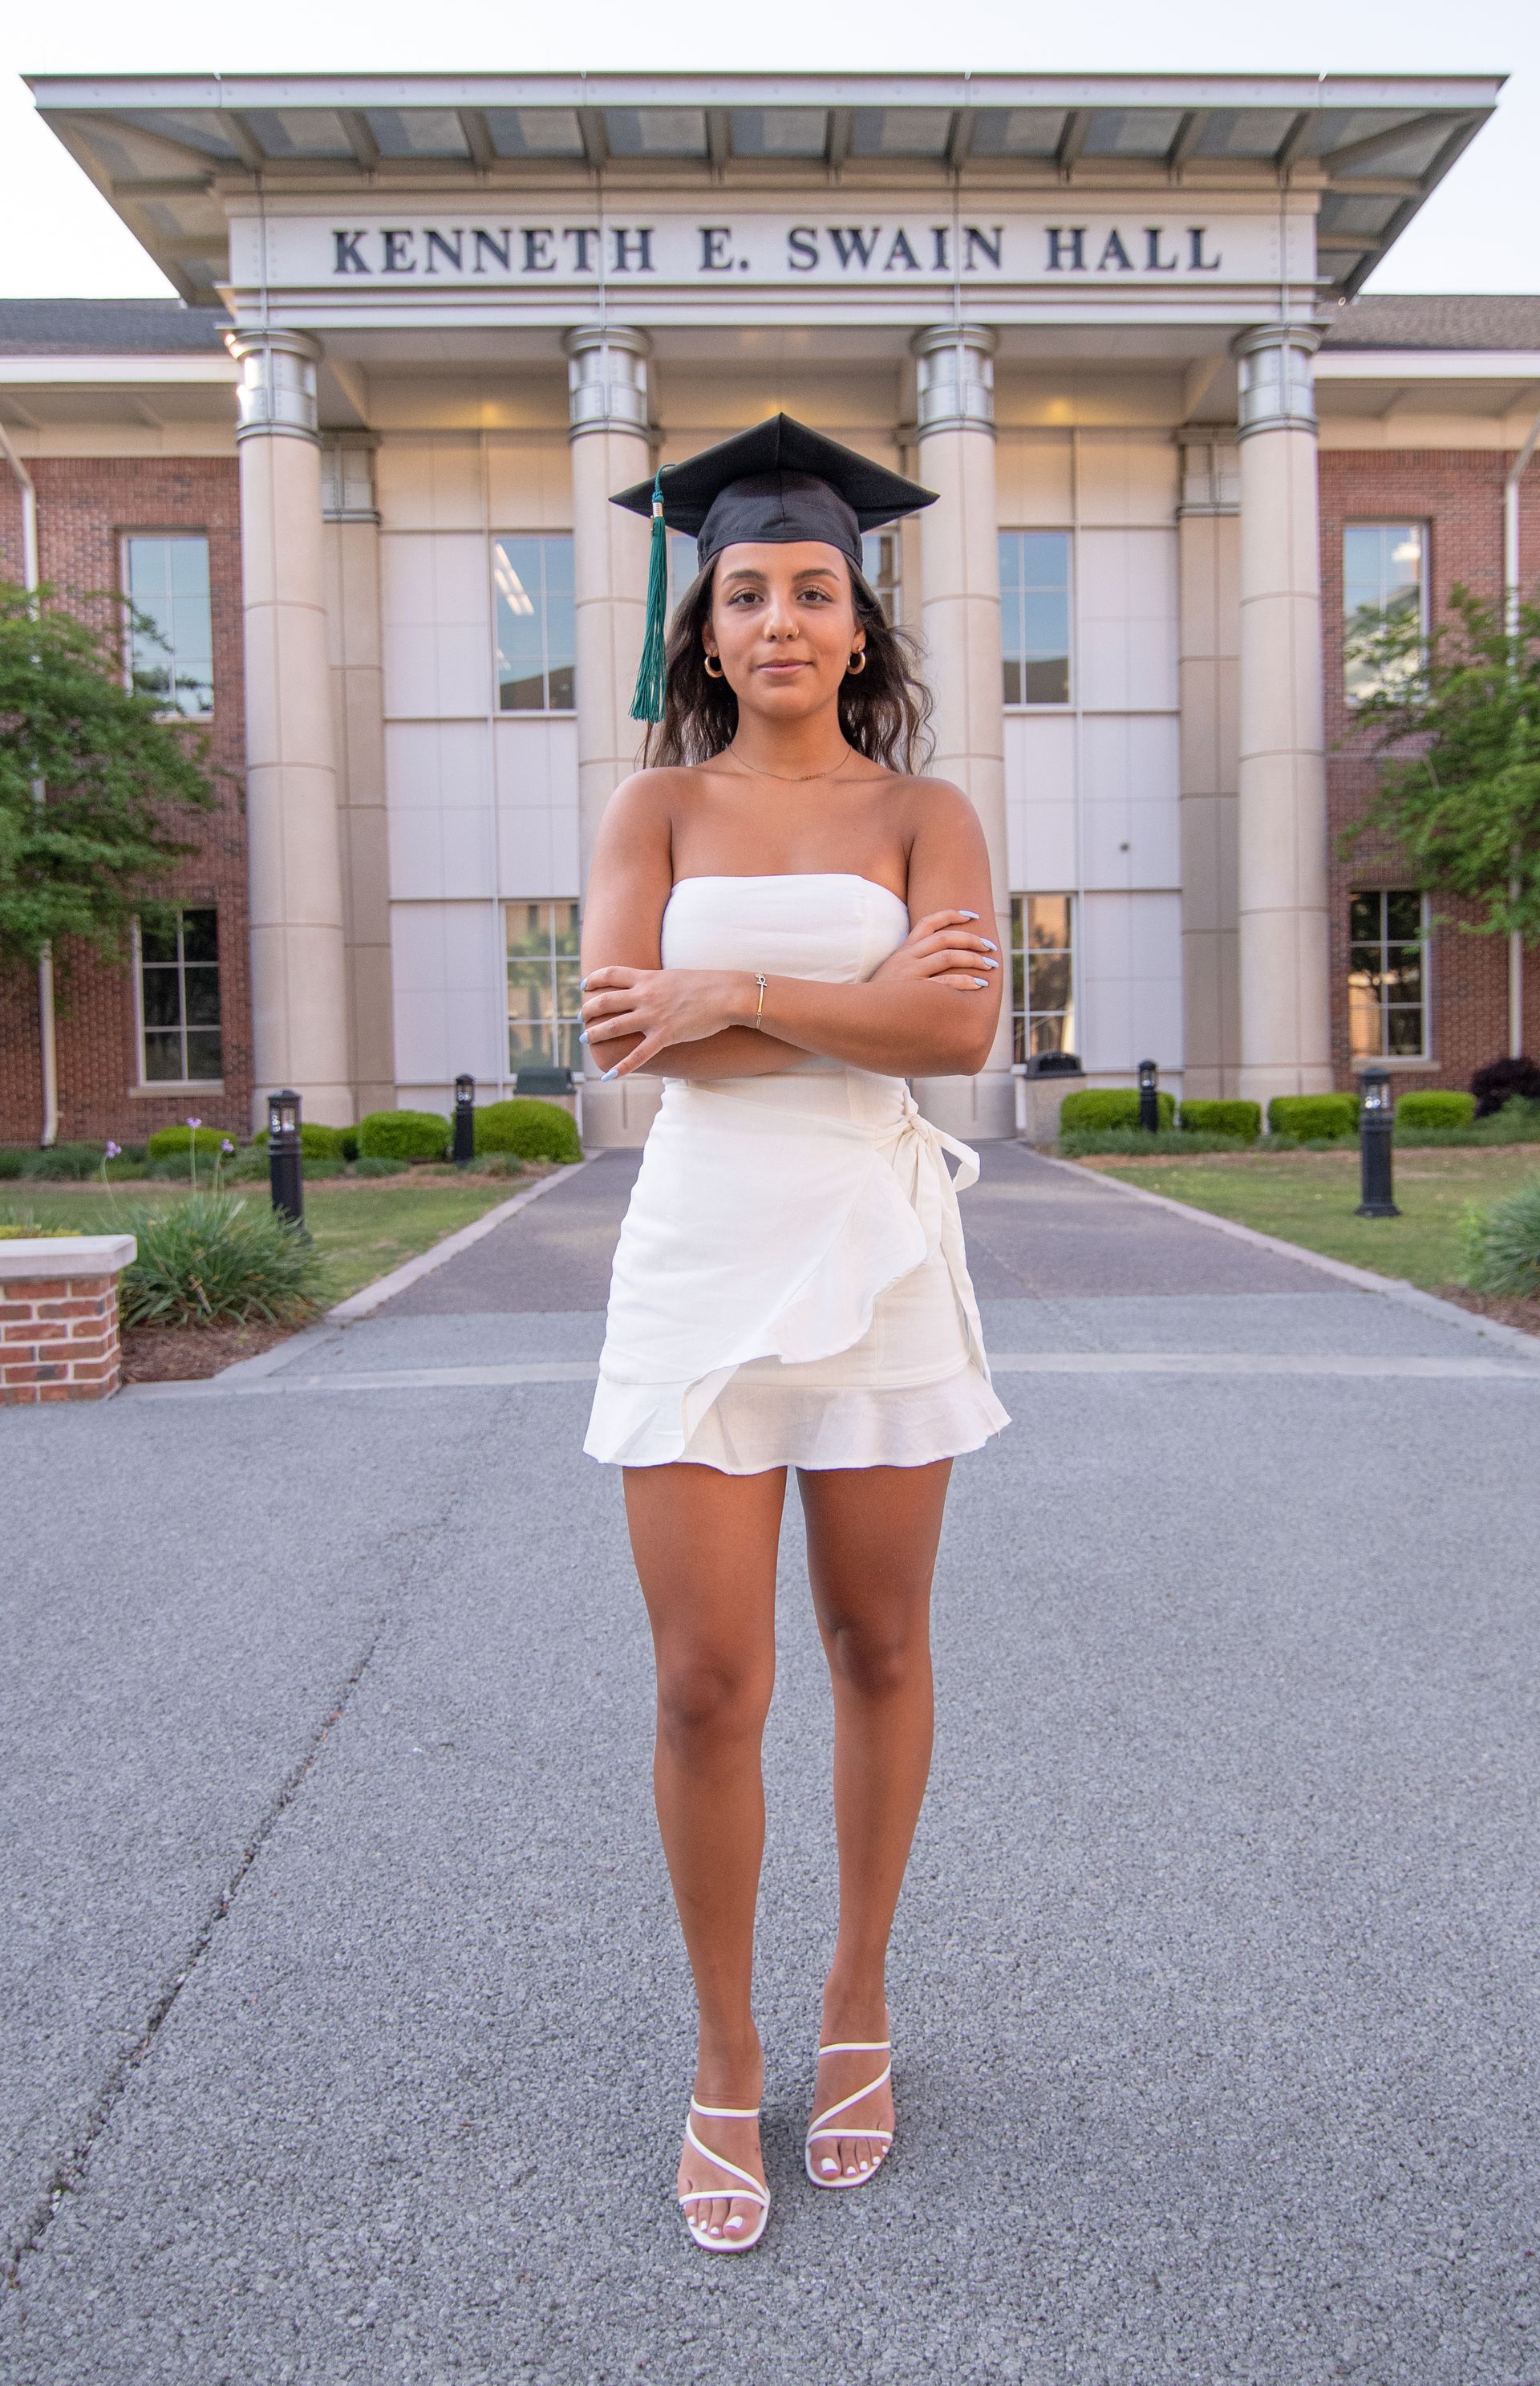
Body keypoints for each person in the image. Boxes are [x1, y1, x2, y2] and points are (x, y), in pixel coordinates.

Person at [580, 416, 1010, 2253]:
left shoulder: (929, 814)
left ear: (859, 621)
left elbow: (958, 1042)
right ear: (705, 621)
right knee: (704, 1682)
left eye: (811, 589)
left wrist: (734, 987)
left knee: (878, 1640)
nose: (777, 617)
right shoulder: (649, 808)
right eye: (744, 588)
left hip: (879, 1250)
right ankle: (721, 2041)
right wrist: (857, 997)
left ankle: (855, 1997)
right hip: (697, 1254)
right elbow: (617, 1034)